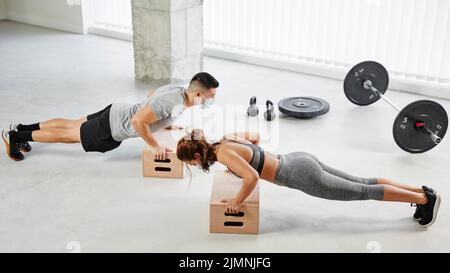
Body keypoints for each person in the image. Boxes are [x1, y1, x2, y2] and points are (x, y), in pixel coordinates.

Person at [176, 130, 441, 228]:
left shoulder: (222, 154)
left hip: (299, 175)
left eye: (189, 163)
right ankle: (421, 190)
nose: (192, 166)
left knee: (363, 191)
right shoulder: (224, 140)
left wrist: (236, 201)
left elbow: (253, 177)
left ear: (196, 158)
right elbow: (254, 139)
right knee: (365, 180)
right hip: (298, 158)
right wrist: (237, 166)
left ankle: (423, 199)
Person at [2, 72, 219, 161]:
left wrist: (165, 123)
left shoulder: (179, 90)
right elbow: (137, 121)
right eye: (210, 97)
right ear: (198, 93)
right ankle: (16, 137)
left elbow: (151, 97)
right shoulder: (173, 101)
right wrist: (155, 146)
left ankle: (22, 127)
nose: (210, 101)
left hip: (116, 110)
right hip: (114, 126)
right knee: (65, 135)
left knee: (71, 123)